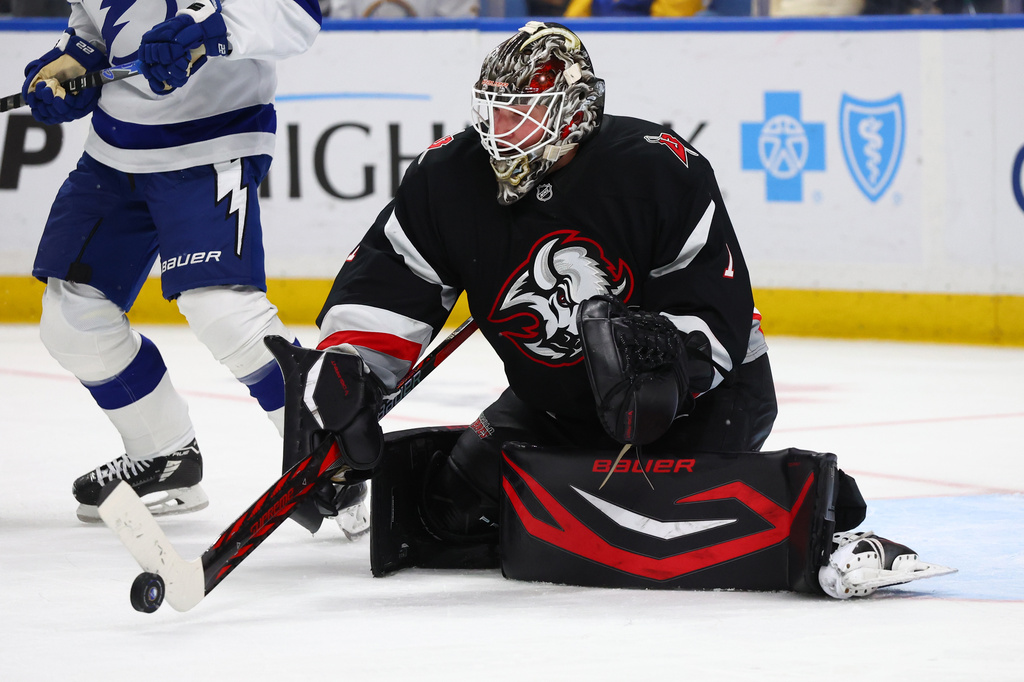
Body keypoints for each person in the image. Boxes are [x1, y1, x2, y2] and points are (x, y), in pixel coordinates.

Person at [274, 21, 954, 598]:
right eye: (493, 109)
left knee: (649, 533)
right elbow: (396, 278)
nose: (499, 130)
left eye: (522, 113)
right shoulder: (449, 178)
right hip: (553, 405)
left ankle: (827, 516)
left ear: (574, 112)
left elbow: (714, 310)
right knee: (447, 511)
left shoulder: (657, 169)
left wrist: (659, 365)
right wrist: (350, 375)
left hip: (705, 401)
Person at [22, 0, 366, 538]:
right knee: (72, 322)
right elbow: (94, 27)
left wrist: (207, 33)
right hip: (113, 154)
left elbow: (298, 13)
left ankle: (332, 458)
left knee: (224, 312)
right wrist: (70, 63)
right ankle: (162, 457)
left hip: (214, 143)